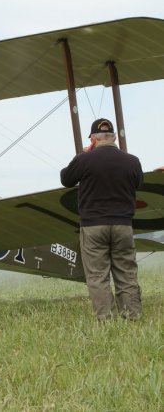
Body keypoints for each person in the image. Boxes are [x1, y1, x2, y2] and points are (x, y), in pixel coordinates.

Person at [60, 118, 143, 321]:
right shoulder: (132, 161)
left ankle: (106, 321)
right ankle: (132, 316)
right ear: (114, 137)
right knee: (126, 272)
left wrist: (84, 155)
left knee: (98, 276)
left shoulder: (84, 160)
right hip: (123, 225)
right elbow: (138, 183)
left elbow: (65, 178)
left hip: (93, 226)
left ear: (93, 140)